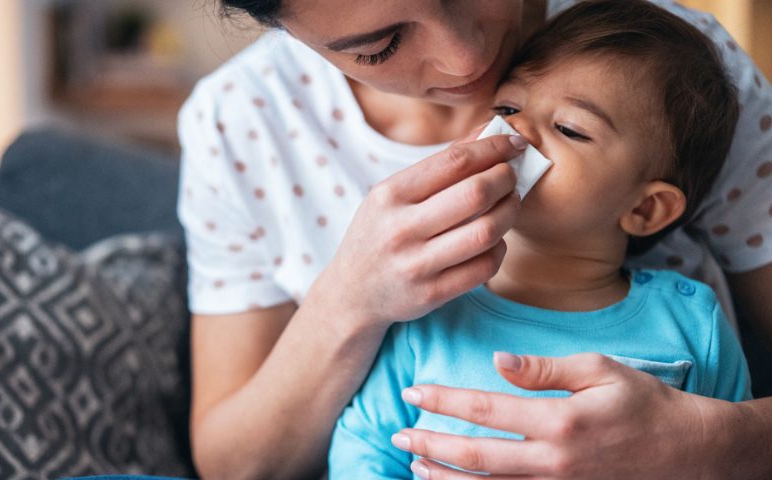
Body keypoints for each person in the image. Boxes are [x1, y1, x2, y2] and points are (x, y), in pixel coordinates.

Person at [178, 0, 772, 478]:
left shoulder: (673, 69)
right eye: (378, 46)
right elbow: (266, 460)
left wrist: (710, 443)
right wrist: (350, 299)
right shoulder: (239, 121)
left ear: (647, 208)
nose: (468, 63)